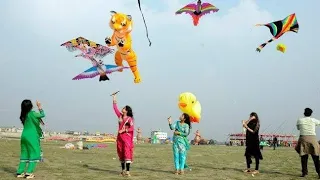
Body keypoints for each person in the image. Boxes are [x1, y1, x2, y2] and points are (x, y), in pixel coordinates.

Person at [16, 100, 45, 179]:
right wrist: (39, 107)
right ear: (31, 106)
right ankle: (29, 173)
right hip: (32, 136)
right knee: (34, 153)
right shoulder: (32, 114)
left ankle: (20, 172)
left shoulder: (23, 115)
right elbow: (43, 114)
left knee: (24, 154)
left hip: (24, 136)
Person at [112, 93, 134, 177]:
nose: (122, 108)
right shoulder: (120, 116)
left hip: (126, 138)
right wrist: (114, 98)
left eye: (124, 108)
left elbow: (132, 128)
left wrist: (124, 130)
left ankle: (128, 171)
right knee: (121, 153)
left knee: (127, 153)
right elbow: (115, 109)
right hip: (120, 138)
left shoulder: (129, 119)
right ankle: (123, 171)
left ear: (127, 111)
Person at [295, 108, 320, 178]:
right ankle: (319, 172)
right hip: (312, 139)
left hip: (303, 139)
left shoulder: (300, 120)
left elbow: (298, 128)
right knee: (316, 157)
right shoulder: (314, 120)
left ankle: (304, 173)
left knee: (304, 157)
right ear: (311, 114)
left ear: (304, 113)